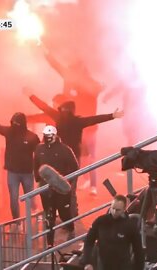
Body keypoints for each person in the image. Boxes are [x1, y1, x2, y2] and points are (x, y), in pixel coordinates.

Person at [23, 87, 123, 215]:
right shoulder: (78, 121)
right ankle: (72, 213)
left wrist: (31, 95)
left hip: (56, 155)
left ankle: (56, 211)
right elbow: (94, 119)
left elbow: (43, 106)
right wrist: (112, 116)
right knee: (71, 187)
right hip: (73, 158)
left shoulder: (57, 117)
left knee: (55, 184)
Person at [43, 50, 104, 195]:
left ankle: (93, 186)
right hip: (76, 128)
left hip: (89, 128)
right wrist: (45, 51)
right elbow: (57, 66)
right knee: (80, 157)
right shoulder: (71, 81)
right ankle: (85, 179)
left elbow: (98, 88)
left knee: (91, 158)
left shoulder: (91, 86)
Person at [33, 125, 80, 242]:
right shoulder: (39, 149)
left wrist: (66, 181)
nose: (47, 137)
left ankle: (71, 229)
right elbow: (36, 165)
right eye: (45, 135)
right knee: (49, 216)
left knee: (64, 213)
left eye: (49, 135)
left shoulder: (65, 149)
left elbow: (75, 167)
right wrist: (38, 179)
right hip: (46, 189)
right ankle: (50, 244)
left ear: (55, 135)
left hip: (61, 188)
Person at [79, 194, 144, 270]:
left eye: (118, 210)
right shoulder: (100, 221)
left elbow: (138, 250)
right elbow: (89, 241)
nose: (114, 212)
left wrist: (139, 268)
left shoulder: (130, 226)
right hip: (103, 266)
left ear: (124, 209)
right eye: (112, 208)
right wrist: (87, 262)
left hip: (122, 266)